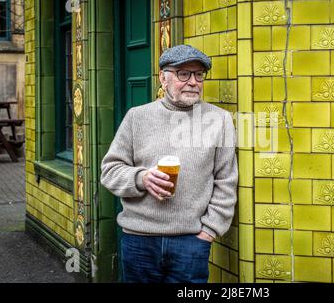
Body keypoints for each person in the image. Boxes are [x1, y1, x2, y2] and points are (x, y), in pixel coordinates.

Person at [100, 44, 238, 283]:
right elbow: (110, 171)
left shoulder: (220, 120)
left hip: (191, 243)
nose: (193, 82)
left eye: (198, 75)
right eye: (183, 74)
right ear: (163, 79)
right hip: (138, 240)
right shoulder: (137, 117)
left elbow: (226, 181)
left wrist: (209, 232)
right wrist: (141, 178)